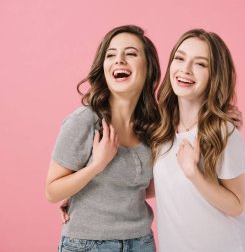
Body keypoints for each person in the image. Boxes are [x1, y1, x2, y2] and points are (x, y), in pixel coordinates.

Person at [45, 25, 160, 252]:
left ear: (148, 67)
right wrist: (96, 166)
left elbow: (143, 187)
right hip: (88, 244)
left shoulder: (154, 126)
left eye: (130, 53)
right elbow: (52, 191)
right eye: (111, 55)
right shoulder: (84, 121)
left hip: (141, 242)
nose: (119, 60)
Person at [151, 29, 245, 251]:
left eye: (200, 64)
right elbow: (150, 187)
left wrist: (194, 173)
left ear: (215, 76)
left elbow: (236, 205)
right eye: (179, 58)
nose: (185, 69)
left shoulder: (223, 131)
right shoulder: (160, 130)